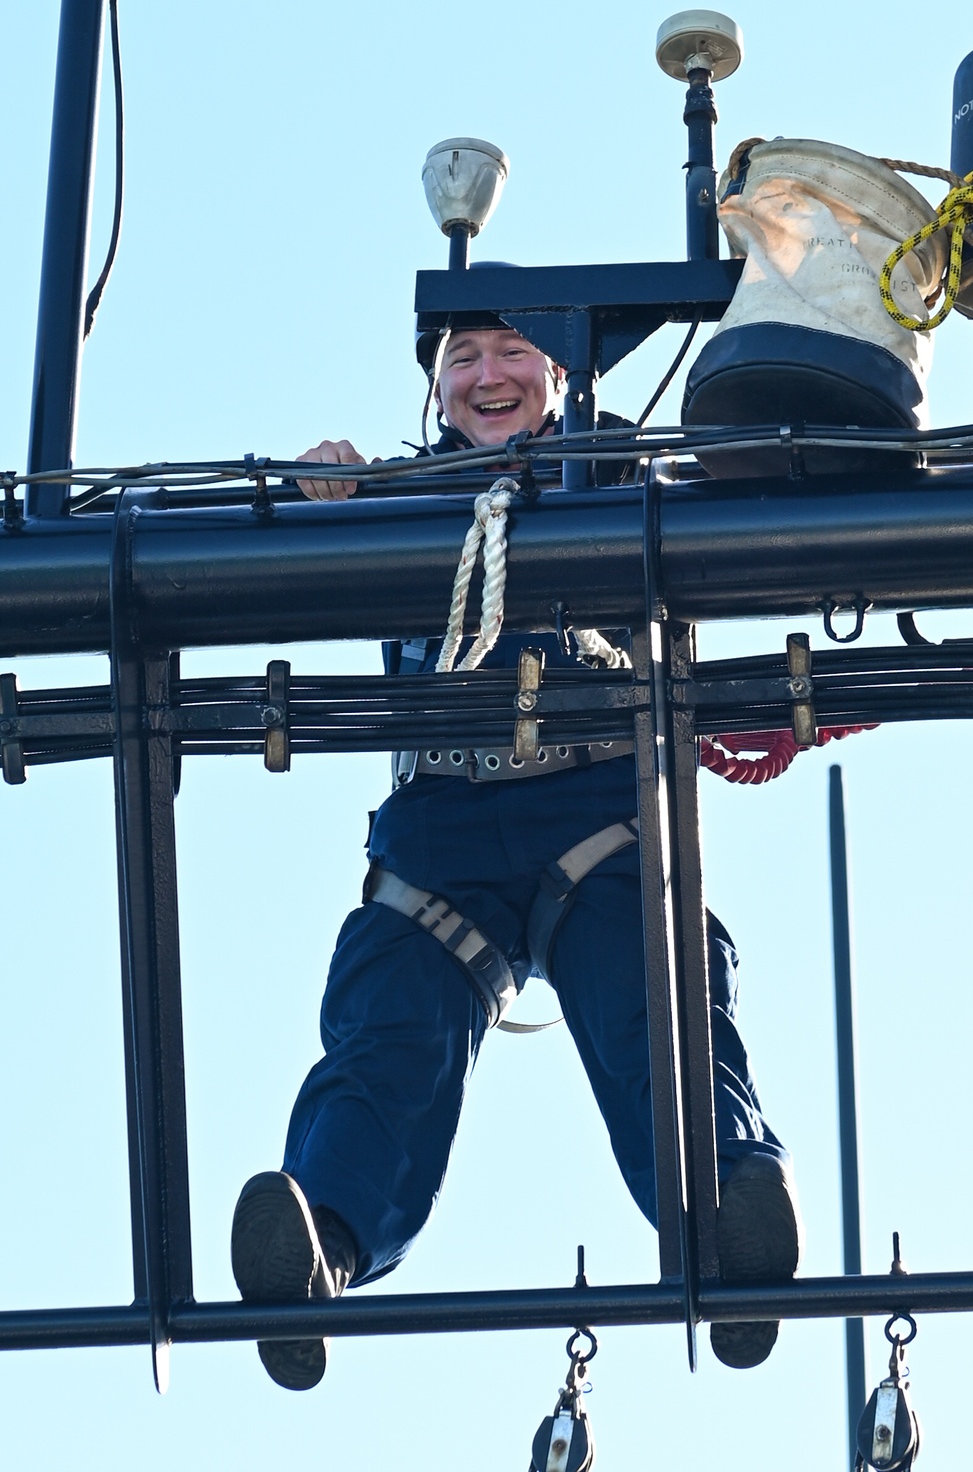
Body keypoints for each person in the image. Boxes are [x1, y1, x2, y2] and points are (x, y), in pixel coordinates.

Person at [231, 319, 801, 1391]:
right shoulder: (399, 504)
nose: (487, 376)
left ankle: (729, 1216)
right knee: (389, 1026)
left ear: (557, 372)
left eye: (509, 353)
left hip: (601, 809)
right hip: (444, 833)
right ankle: (324, 1241)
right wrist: (321, 488)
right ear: (436, 389)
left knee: (655, 1003)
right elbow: (295, 533)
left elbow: (733, 531)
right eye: (461, 360)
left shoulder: (624, 480)